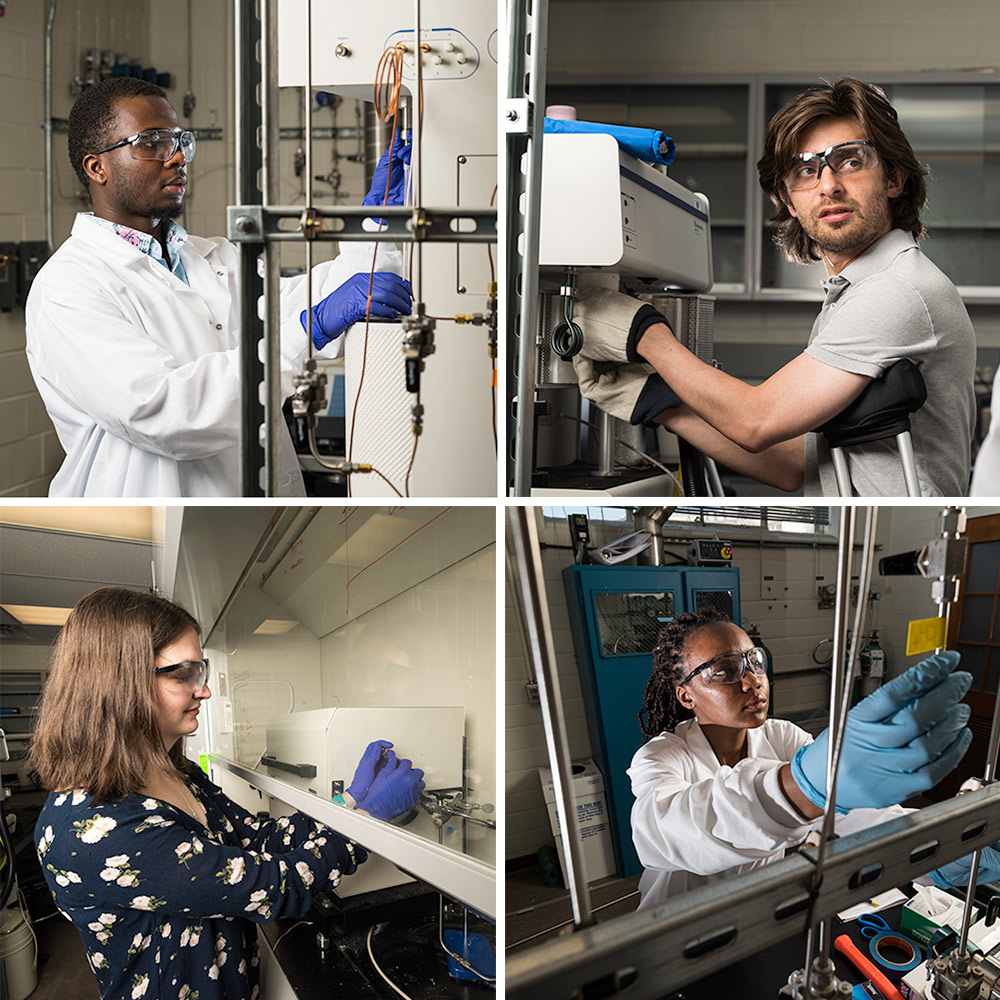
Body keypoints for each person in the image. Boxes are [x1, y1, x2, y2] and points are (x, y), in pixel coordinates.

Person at [571, 77, 976, 496]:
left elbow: (755, 422)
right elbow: (795, 467)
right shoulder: (855, 290)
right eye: (806, 170)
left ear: (894, 180)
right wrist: (657, 401)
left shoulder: (897, 289)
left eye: (852, 161)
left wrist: (643, 333)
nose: (828, 184)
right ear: (787, 198)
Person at [30, 586, 425, 1000]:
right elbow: (275, 885)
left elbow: (257, 839)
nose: (204, 690)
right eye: (184, 674)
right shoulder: (96, 826)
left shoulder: (176, 772)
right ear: (118, 683)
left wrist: (351, 802)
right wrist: (369, 820)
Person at [25, 77, 413, 497]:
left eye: (180, 141)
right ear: (96, 167)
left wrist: (377, 224)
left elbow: (325, 300)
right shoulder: (68, 286)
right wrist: (311, 326)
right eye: (152, 142)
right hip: (154, 515)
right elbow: (162, 411)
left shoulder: (214, 256)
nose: (176, 158)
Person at [629, 610, 1000, 909]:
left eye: (754, 662)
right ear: (686, 696)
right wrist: (800, 787)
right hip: (676, 926)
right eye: (724, 671)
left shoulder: (781, 736)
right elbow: (664, 832)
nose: (752, 681)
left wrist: (941, 843)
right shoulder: (661, 757)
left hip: (752, 914)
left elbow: (850, 814)